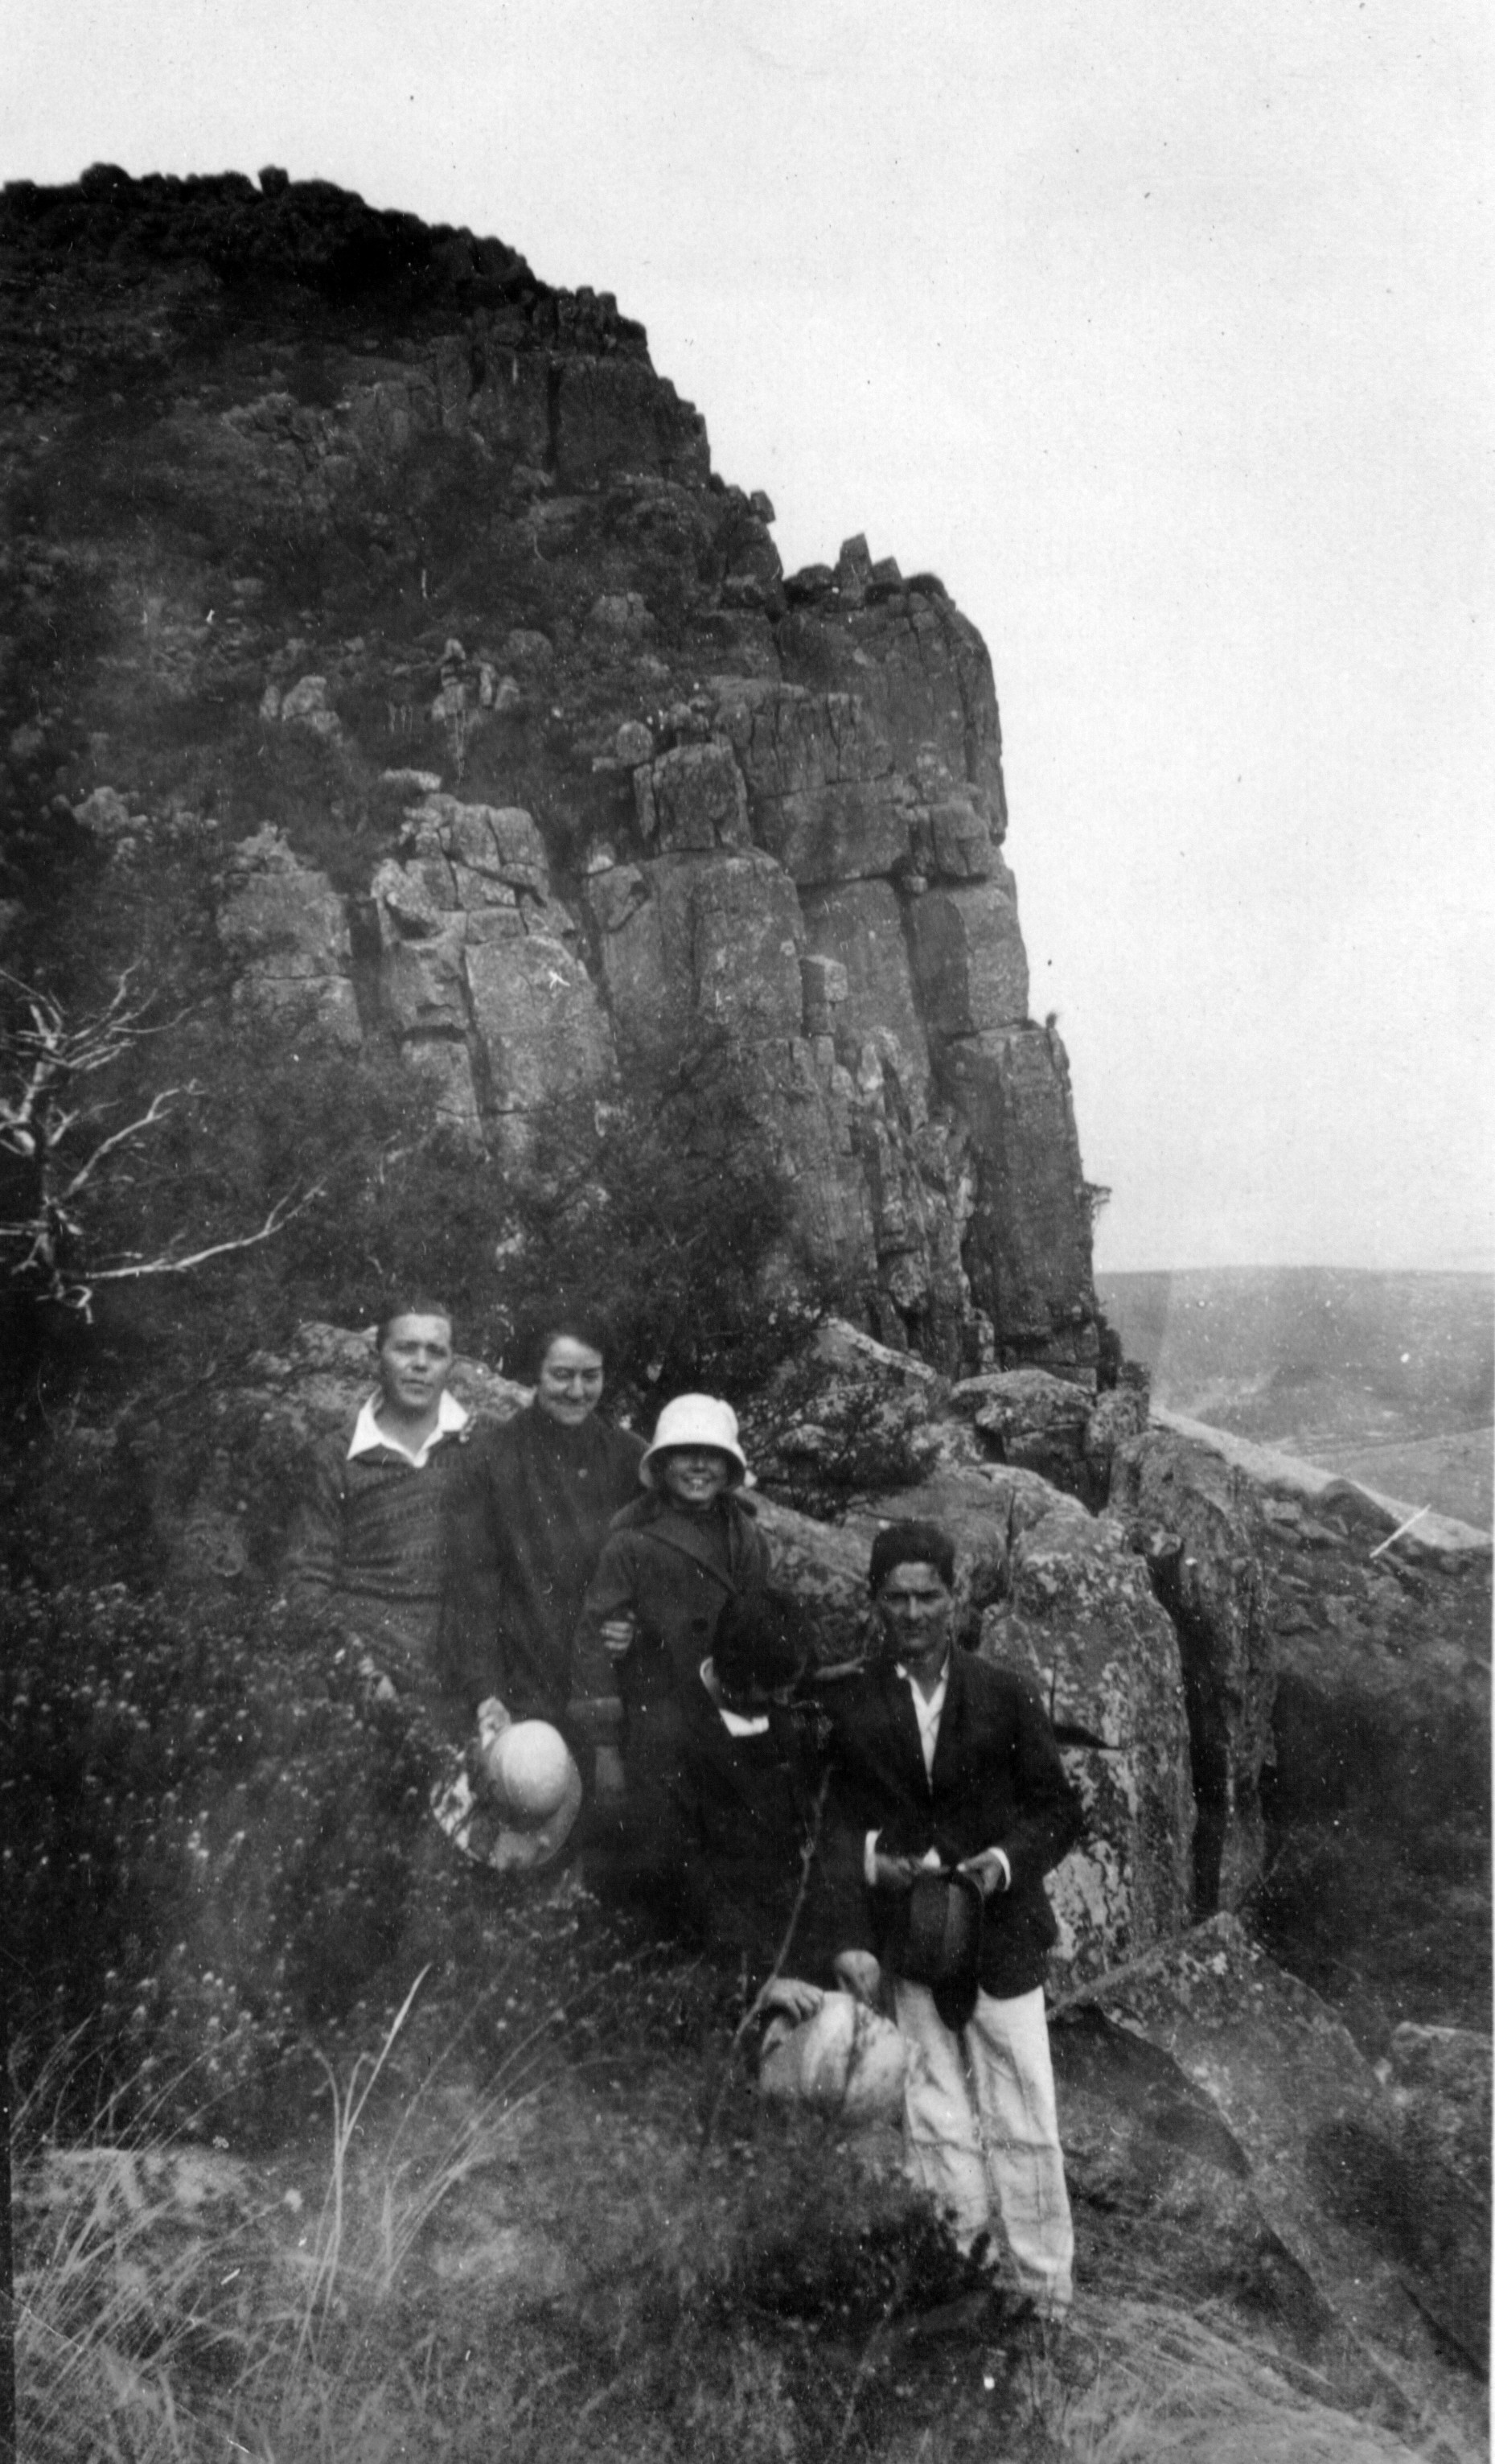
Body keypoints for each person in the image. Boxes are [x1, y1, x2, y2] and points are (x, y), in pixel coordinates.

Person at [816, 1520, 1082, 2318]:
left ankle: (1042, 2291)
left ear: (954, 1596)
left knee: (1024, 2112)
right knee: (934, 2113)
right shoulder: (851, 1701)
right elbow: (829, 1823)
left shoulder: (1003, 1692)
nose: (912, 1613)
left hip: (1001, 1935)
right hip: (913, 1939)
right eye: (895, 1597)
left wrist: (998, 1863)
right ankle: (961, 2274)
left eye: (927, 1595)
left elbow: (1056, 1809)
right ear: (874, 1601)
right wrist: (873, 1864)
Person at [569, 1392, 771, 1921]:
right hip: (654, 1727)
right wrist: (605, 1746)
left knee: (721, 1851)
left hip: (725, 1722)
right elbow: (593, 1639)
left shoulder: (746, 1537)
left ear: (730, 1467)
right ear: (661, 1463)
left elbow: (760, 1629)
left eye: (713, 1455)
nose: (699, 1466)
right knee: (652, 1850)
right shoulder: (630, 1543)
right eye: (685, 1453)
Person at [438, 1316, 645, 1756]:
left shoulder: (629, 1458)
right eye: (562, 1375)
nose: (577, 1391)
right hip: (523, 1687)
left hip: (610, 1689)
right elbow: (473, 1589)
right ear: (536, 1372)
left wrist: (636, 1622)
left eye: (591, 1376)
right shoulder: (491, 1458)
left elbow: (661, 1562)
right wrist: (485, 1692)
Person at [281, 1296, 473, 1727]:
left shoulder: (479, 1449)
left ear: (452, 1365)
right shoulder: (334, 1458)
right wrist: (358, 1670)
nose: (420, 1364)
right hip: (361, 1675)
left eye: (435, 1352)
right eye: (405, 1348)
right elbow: (306, 1582)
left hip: (461, 1682)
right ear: (377, 1356)